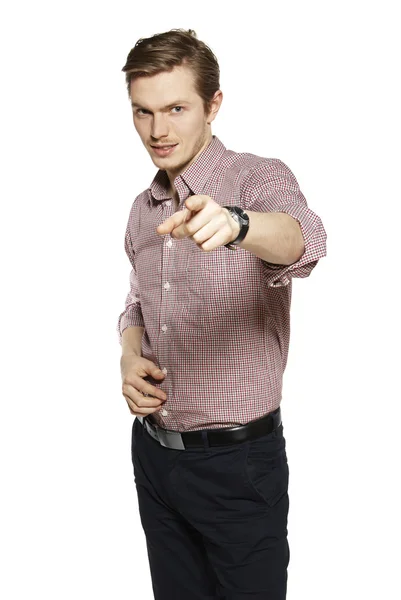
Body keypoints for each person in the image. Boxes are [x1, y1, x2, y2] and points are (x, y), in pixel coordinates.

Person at [117, 28, 327, 600]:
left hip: (239, 466)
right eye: (144, 112)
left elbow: (306, 239)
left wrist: (238, 225)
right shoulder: (144, 209)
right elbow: (137, 301)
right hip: (156, 458)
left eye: (176, 109)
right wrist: (130, 355)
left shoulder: (255, 177)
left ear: (213, 105)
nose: (158, 131)